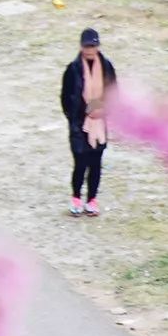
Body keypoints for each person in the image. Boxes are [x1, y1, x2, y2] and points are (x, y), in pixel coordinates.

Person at [61, 27, 117, 216]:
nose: (89, 50)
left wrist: (100, 108)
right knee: (80, 162)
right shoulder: (73, 69)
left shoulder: (107, 67)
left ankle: (92, 199)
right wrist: (77, 116)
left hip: (100, 123)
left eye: (92, 46)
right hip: (80, 124)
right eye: (86, 46)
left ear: (98, 46)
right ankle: (76, 197)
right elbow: (66, 97)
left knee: (95, 163)